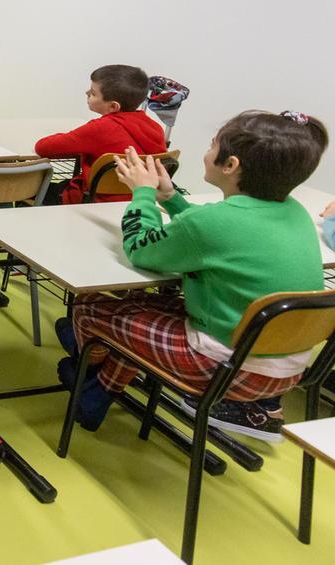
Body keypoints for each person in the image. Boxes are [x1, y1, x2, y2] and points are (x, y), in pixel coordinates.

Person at [63, 112, 329, 440]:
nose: (207, 151)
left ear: (230, 165)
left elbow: (139, 249)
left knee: (90, 307)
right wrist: (169, 197)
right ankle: (98, 393)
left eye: (211, 144)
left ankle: (83, 375)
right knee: (138, 305)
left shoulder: (214, 223)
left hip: (227, 369)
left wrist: (142, 194)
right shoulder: (293, 210)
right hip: (286, 367)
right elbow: (212, 230)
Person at [34, 64, 167, 204]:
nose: (86, 93)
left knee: (34, 190)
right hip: (140, 200)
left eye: (93, 93)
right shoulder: (154, 127)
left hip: (94, 200)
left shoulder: (99, 129)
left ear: (113, 106)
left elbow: (43, 147)